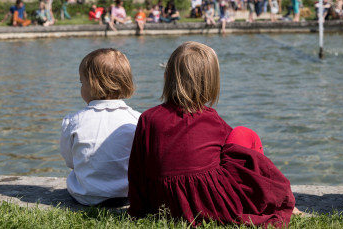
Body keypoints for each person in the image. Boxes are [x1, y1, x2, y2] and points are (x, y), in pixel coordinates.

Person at [128, 42, 296, 226]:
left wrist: (138, 211)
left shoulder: (148, 118)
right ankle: (263, 192)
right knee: (243, 135)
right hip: (210, 205)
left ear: (167, 77)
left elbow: (137, 171)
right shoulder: (212, 119)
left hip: (164, 204)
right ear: (210, 83)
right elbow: (236, 153)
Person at [60, 48, 140, 206]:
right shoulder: (137, 119)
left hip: (85, 195)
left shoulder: (73, 121)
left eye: (81, 82)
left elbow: (70, 162)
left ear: (92, 85)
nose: (81, 88)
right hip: (126, 193)